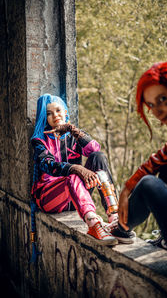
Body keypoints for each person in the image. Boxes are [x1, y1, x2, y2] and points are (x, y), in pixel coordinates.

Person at [118, 62, 167, 278]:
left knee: (150, 183)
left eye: (162, 99)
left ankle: (120, 228)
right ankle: (122, 227)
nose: (157, 111)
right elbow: (156, 161)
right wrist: (126, 188)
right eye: (150, 104)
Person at [31, 93, 134, 246]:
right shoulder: (39, 140)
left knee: (98, 157)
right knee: (72, 175)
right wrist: (75, 168)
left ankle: (114, 217)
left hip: (75, 196)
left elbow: (94, 148)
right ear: (44, 117)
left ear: (65, 111)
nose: (55, 115)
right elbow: (47, 165)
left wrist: (74, 130)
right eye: (49, 113)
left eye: (58, 110)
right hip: (50, 198)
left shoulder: (73, 134)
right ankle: (93, 224)